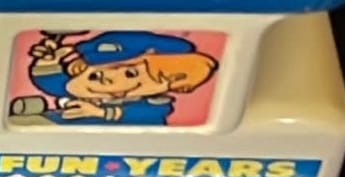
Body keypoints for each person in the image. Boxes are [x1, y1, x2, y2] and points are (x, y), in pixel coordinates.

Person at [23, 29, 220, 125]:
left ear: (174, 84)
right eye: (96, 74)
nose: (106, 79)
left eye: (130, 73)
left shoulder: (154, 105)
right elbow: (55, 84)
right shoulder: (84, 89)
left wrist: (100, 113)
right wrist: (48, 62)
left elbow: (146, 117)